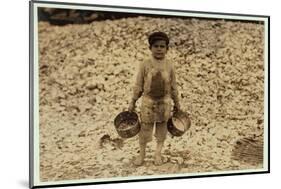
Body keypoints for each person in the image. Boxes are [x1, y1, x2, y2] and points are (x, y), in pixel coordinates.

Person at [128, 31, 181, 166]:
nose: (159, 49)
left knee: (162, 130)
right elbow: (139, 84)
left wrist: (177, 104)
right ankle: (142, 154)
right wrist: (132, 102)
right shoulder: (145, 64)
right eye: (156, 46)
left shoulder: (169, 65)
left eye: (162, 46)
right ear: (150, 48)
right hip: (148, 102)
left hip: (164, 102)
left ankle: (158, 154)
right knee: (145, 129)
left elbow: (173, 86)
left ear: (167, 49)